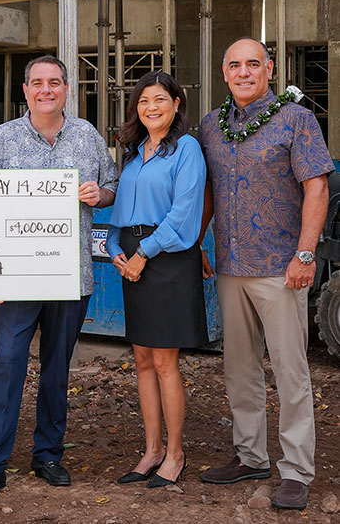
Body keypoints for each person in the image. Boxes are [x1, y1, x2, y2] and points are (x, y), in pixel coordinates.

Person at [0, 55, 118, 501]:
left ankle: (48, 454)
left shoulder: (87, 136)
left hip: (71, 277)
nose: (46, 90)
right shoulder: (3, 139)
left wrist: (99, 194)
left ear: (67, 89)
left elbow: (111, 184)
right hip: (17, 277)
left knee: (56, 369)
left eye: (55, 82)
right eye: (37, 83)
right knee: (7, 364)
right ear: (26, 90)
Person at [198, 37, 332, 510]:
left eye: (253, 64)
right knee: (239, 368)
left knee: (291, 371)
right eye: (235, 65)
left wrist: (305, 254)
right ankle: (250, 454)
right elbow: (208, 188)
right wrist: (198, 242)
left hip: (281, 266)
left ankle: (296, 470)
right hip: (230, 265)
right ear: (224, 71)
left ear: (269, 69)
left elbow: (316, 186)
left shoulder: (297, 120)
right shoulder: (211, 126)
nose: (244, 72)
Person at [106, 71, 207, 488]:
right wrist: (115, 250)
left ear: (177, 104)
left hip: (165, 259)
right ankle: (151, 450)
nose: (152, 107)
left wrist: (143, 255)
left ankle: (176, 453)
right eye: (144, 100)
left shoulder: (186, 150)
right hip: (131, 258)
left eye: (160, 99)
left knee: (165, 362)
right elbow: (119, 217)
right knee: (142, 360)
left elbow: (183, 213)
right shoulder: (132, 154)